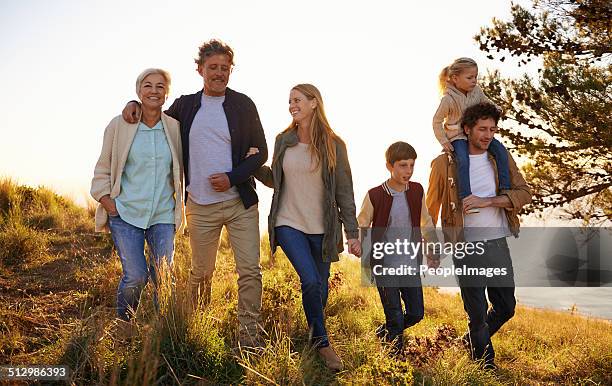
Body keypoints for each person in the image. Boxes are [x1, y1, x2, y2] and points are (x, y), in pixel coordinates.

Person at [122, 40, 268, 349]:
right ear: (199, 69)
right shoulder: (186, 106)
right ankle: (199, 330)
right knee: (201, 273)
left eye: (224, 68)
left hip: (239, 204)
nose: (218, 73)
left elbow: (261, 153)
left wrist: (232, 177)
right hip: (199, 206)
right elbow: (154, 117)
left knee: (250, 272)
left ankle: (249, 337)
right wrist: (133, 104)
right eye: (212, 67)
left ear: (231, 70)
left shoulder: (243, 104)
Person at [254, 84, 361, 371]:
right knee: (311, 281)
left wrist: (352, 233)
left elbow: (344, 191)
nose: (292, 105)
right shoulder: (283, 140)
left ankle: (313, 334)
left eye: (297, 100)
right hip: (288, 222)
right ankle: (324, 345)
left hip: (323, 229)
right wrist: (252, 164)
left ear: (315, 103)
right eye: (289, 101)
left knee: (320, 289)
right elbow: (275, 178)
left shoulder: (334, 144)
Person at [426, 102, 532, 370]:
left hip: (496, 242)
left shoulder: (499, 158)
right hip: (464, 246)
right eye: (482, 129)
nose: (487, 135)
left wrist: (489, 201)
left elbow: (524, 193)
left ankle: (469, 342)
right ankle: (484, 365)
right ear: (466, 129)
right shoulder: (444, 164)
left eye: (492, 130)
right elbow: (429, 209)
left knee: (506, 307)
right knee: (476, 313)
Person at [91, 68, 184, 325]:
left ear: (167, 93)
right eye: (148, 85)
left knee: (163, 276)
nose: (154, 91)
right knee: (136, 276)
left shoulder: (175, 128)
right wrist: (108, 203)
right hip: (125, 213)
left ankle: (162, 333)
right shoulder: (119, 125)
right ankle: (124, 326)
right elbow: (103, 167)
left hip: (163, 214)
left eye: (160, 86)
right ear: (138, 91)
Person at [357, 141, 439, 355]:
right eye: (403, 165)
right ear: (389, 166)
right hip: (385, 266)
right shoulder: (375, 195)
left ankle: (384, 333)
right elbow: (362, 224)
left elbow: (426, 222)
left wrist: (433, 250)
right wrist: (359, 246)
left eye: (412, 165)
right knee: (394, 315)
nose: (408, 171)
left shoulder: (416, 191)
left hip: (410, 265)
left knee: (416, 313)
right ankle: (395, 363)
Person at [432, 57, 511, 214]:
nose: (474, 80)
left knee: (501, 151)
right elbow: (436, 121)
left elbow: (486, 101)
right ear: (455, 78)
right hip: (458, 136)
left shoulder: (477, 91)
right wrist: (444, 141)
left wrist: (496, 107)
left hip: (475, 133)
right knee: (462, 159)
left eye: (476, 76)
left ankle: (505, 189)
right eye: (469, 77)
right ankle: (465, 198)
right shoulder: (448, 99)